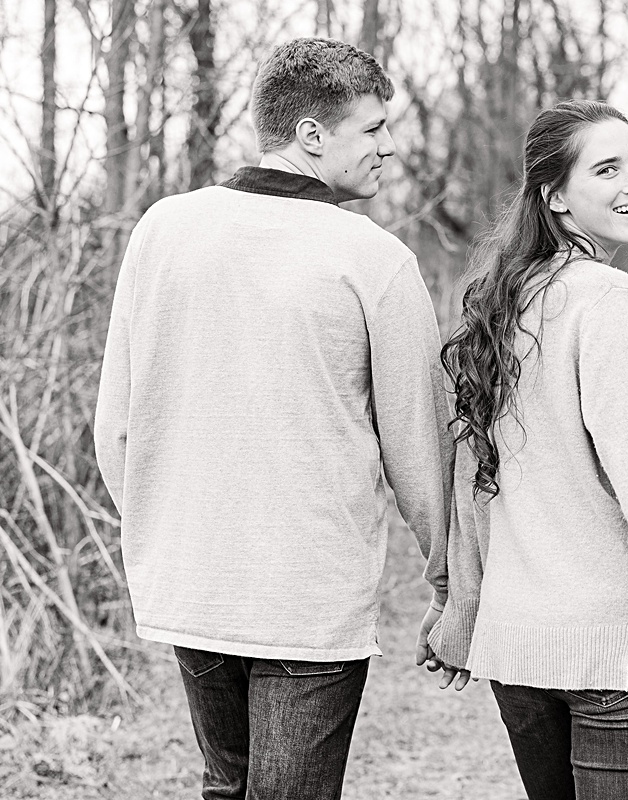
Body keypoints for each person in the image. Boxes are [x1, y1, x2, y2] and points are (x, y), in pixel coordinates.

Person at [93, 38, 453, 800]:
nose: (389, 147)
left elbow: (116, 426)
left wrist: (163, 534)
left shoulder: (162, 228)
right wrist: (449, 580)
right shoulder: (373, 257)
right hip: (307, 598)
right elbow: (419, 451)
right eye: (373, 128)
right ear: (312, 136)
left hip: (191, 586)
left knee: (227, 788)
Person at [427, 99, 628, 800]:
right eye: (606, 169)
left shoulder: (498, 299)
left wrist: (463, 609)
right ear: (555, 195)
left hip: (519, 654)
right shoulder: (605, 299)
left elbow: (471, 484)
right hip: (619, 656)